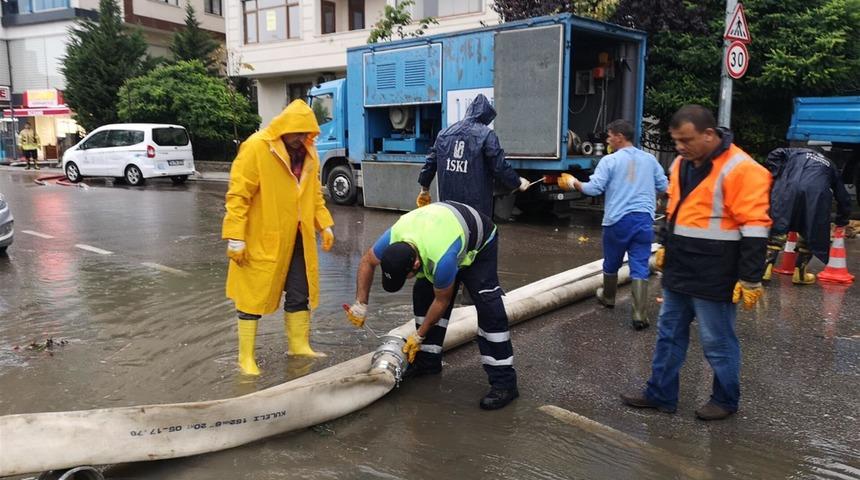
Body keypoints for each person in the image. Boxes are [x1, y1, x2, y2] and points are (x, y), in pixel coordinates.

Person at [620, 105, 772, 421]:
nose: (679, 147)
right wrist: (665, 245)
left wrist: (750, 278)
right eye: (676, 140)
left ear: (709, 134)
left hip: (716, 274)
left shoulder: (742, 169)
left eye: (686, 139)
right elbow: (676, 211)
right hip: (680, 269)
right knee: (668, 334)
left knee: (717, 342)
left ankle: (725, 400)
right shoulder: (680, 164)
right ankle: (660, 394)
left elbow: (756, 227)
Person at [344, 200, 518, 410]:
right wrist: (360, 303)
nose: (409, 278)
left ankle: (504, 383)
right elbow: (367, 262)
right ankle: (428, 361)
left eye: (407, 275)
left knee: (488, 306)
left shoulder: (441, 259)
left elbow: (442, 300)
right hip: (441, 232)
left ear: (416, 264)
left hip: (478, 242)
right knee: (423, 293)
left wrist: (419, 335)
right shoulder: (394, 236)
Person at [223, 100, 335, 376]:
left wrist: (325, 225)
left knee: (300, 292)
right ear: (285, 127)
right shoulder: (257, 147)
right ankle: (245, 357)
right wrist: (235, 236)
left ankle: (299, 345)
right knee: (251, 296)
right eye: (297, 133)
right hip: (262, 237)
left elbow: (314, 195)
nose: (301, 139)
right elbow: (238, 195)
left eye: (306, 134)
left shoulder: (309, 153)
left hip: (298, 238)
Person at [557, 119, 668, 330]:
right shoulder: (649, 160)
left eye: (609, 136)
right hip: (644, 219)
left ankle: (608, 297)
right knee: (640, 265)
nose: (608, 140)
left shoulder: (609, 161)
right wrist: (657, 197)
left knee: (612, 262)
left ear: (619, 136)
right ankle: (639, 315)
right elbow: (664, 185)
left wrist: (573, 183)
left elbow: (594, 189)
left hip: (617, 220)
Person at [416, 94, 529, 217]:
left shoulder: (444, 134)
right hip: (476, 208)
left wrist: (424, 188)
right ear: (486, 116)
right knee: (476, 234)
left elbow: (430, 163)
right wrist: (517, 182)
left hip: (448, 207)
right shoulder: (486, 135)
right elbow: (499, 166)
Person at [763, 147, 852, 284]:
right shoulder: (830, 165)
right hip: (815, 196)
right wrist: (842, 220)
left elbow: (775, 153)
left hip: (788, 190)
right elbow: (843, 196)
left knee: (778, 227)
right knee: (810, 230)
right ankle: (800, 273)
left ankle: (765, 270)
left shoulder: (794, 152)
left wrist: (778, 173)